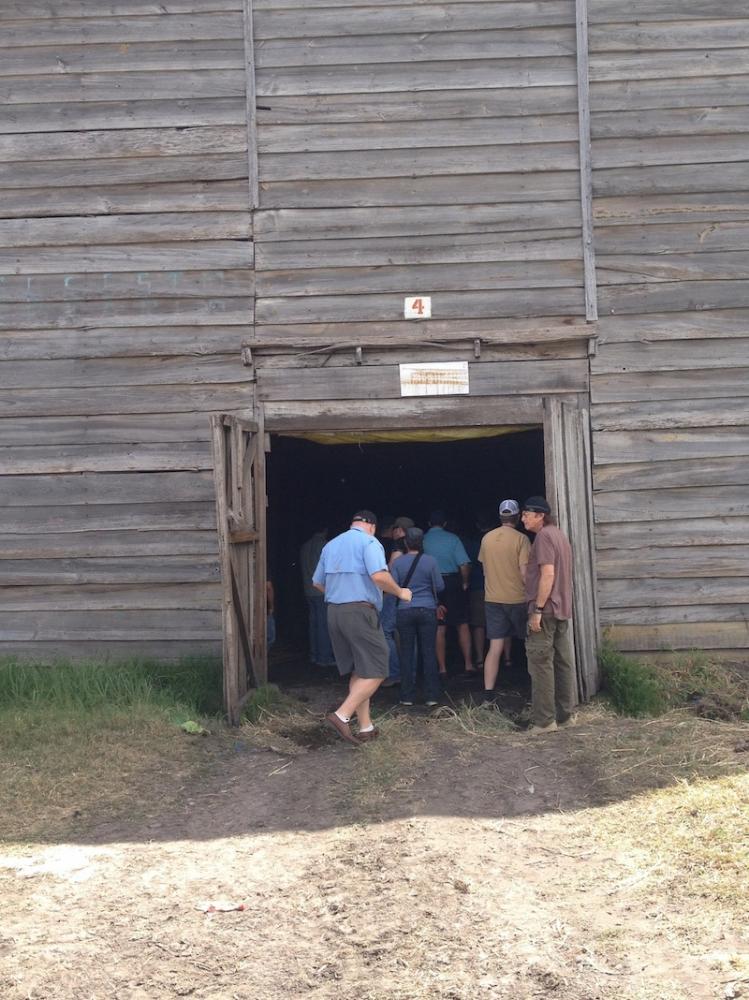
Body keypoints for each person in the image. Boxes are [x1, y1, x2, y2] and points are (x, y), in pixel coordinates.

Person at [313, 510, 413, 745]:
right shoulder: (369, 542)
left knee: (361, 669)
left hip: (335, 611)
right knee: (379, 668)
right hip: (360, 611)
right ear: (373, 526)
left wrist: (340, 595)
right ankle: (341, 715)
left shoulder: (331, 545)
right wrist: (400, 592)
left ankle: (366, 727)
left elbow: (317, 583)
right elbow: (379, 576)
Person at [521, 496, 577, 734]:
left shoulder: (543, 537)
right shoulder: (558, 535)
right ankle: (566, 716)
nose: (522, 518)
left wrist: (538, 610)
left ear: (540, 516)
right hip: (561, 609)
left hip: (547, 610)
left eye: (526, 514)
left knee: (540, 663)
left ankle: (544, 721)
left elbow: (548, 575)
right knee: (562, 662)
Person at [478, 499, 531, 705]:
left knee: (495, 645)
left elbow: (484, 569)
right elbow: (525, 573)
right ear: (517, 517)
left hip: (492, 598)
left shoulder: (487, 539)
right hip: (517, 598)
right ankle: (533, 685)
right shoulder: (522, 540)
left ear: (500, 517)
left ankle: (488, 694)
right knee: (529, 642)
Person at [390, 527, 444, 707]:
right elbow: (439, 585)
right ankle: (431, 696)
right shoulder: (431, 561)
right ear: (422, 543)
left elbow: (394, 587)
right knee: (428, 652)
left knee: (406, 652)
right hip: (427, 609)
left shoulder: (398, 563)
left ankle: (406, 696)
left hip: (405, 610)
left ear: (405, 543)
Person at [423, 510, 473, 677]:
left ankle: (442, 667)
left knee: (440, 626)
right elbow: (464, 564)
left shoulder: (423, 540)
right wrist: (465, 582)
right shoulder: (453, 539)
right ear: (445, 524)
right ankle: (468, 664)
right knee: (462, 623)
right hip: (452, 582)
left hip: (431, 584)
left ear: (429, 524)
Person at [380, 515, 415, 688]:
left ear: (399, 530)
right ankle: (412, 674)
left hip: (395, 594)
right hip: (414, 595)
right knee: (409, 634)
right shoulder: (418, 546)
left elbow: (391, 570)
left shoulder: (398, 546)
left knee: (384, 631)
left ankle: (394, 673)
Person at [300, 526, 336, 670]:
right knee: (323, 625)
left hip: (308, 589)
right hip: (322, 591)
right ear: (325, 530)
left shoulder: (304, 546)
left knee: (313, 623)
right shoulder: (325, 546)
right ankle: (324, 657)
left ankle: (314, 654)